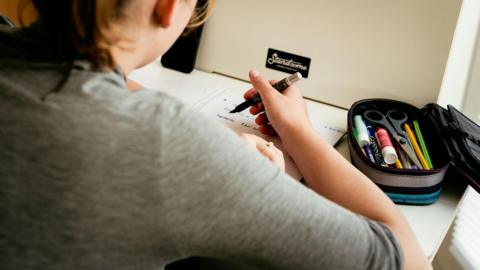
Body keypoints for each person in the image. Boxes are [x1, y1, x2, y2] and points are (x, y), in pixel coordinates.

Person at [0, 0, 431, 269]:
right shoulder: (163, 144)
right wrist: (299, 132)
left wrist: (210, 152)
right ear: (169, 6)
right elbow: (405, 259)